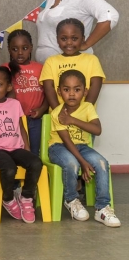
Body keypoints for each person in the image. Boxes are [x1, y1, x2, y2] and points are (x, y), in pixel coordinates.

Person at [47, 70, 120, 227]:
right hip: (59, 147)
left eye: (77, 89)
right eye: (66, 89)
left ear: (85, 92)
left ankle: (102, 208)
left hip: (82, 147)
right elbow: (66, 141)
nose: (72, 94)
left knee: (102, 163)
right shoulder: (58, 113)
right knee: (71, 163)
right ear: (59, 92)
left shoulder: (88, 107)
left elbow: (97, 130)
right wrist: (82, 162)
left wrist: (72, 120)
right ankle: (71, 199)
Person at [0, 67, 43, 224]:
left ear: (9, 87)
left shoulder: (15, 104)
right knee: (9, 168)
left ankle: (26, 197)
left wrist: (27, 148)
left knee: (36, 162)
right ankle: (8, 198)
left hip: (16, 148)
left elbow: (21, 127)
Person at [40, 18, 105, 110]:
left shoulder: (92, 60)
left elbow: (95, 86)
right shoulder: (50, 61)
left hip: (85, 116)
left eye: (74, 38)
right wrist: (60, 112)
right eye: (64, 38)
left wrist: (82, 112)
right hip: (58, 116)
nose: (69, 42)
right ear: (57, 40)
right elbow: (48, 89)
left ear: (83, 39)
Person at [3, 30, 47, 155]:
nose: (20, 52)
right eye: (15, 49)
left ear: (31, 48)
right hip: (13, 120)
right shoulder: (5, 69)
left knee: (34, 153)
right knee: (16, 152)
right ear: (9, 50)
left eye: (25, 48)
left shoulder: (40, 68)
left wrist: (42, 109)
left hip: (35, 118)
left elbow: (48, 93)